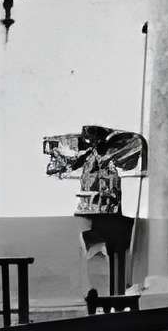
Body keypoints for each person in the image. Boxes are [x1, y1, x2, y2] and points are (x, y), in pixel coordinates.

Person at [43, 127, 147, 298]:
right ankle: (104, 293)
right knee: (101, 254)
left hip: (108, 216)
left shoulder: (108, 156)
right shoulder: (91, 157)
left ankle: (110, 293)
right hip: (101, 216)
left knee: (108, 253)